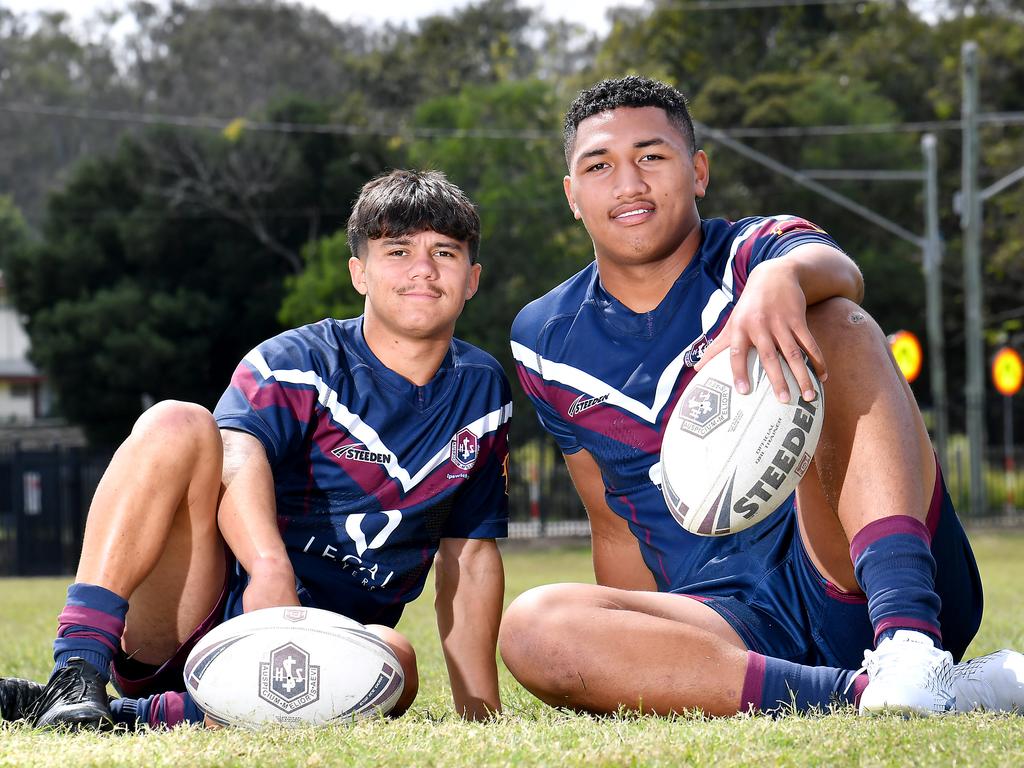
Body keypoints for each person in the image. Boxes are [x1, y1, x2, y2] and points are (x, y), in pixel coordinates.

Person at [500, 75, 1024, 717]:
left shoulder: (753, 249)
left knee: (835, 319)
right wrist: (630, 646)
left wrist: (782, 276)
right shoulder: (542, 337)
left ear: (697, 171)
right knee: (533, 626)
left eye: (652, 157)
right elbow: (612, 523)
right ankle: (873, 695)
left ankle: (910, 646)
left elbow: (838, 271)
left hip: (842, 572)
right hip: (723, 623)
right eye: (600, 166)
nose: (629, 183)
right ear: (572, 196)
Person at [1, 169, 511, 729]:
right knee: (178, 422)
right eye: (397, 250)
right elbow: (236, 451)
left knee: (395, 659)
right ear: (359, 273)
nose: (423, 269)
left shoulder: (482, 389)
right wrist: (268, 568)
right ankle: (76, 673)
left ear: (472, 279)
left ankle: (135, 716)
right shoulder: (297, 358)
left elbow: (470, 553)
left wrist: (480, 709)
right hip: (203, 604)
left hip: (318, 647)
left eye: (445, 252)